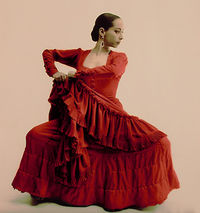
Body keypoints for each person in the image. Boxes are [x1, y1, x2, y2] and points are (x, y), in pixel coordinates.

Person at [11, 12, 180, 211]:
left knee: (161, 143)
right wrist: (54, 72)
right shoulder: (80, 54)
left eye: (122, 32)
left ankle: (128, 195)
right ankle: (46, 190)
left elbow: (113, 71)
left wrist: (79, 74)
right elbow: (48, 53)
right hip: (79, 120)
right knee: (35, 135)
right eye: (117, 31)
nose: (121, 36)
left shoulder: (119, 57)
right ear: (102, 31)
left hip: (110, 118)